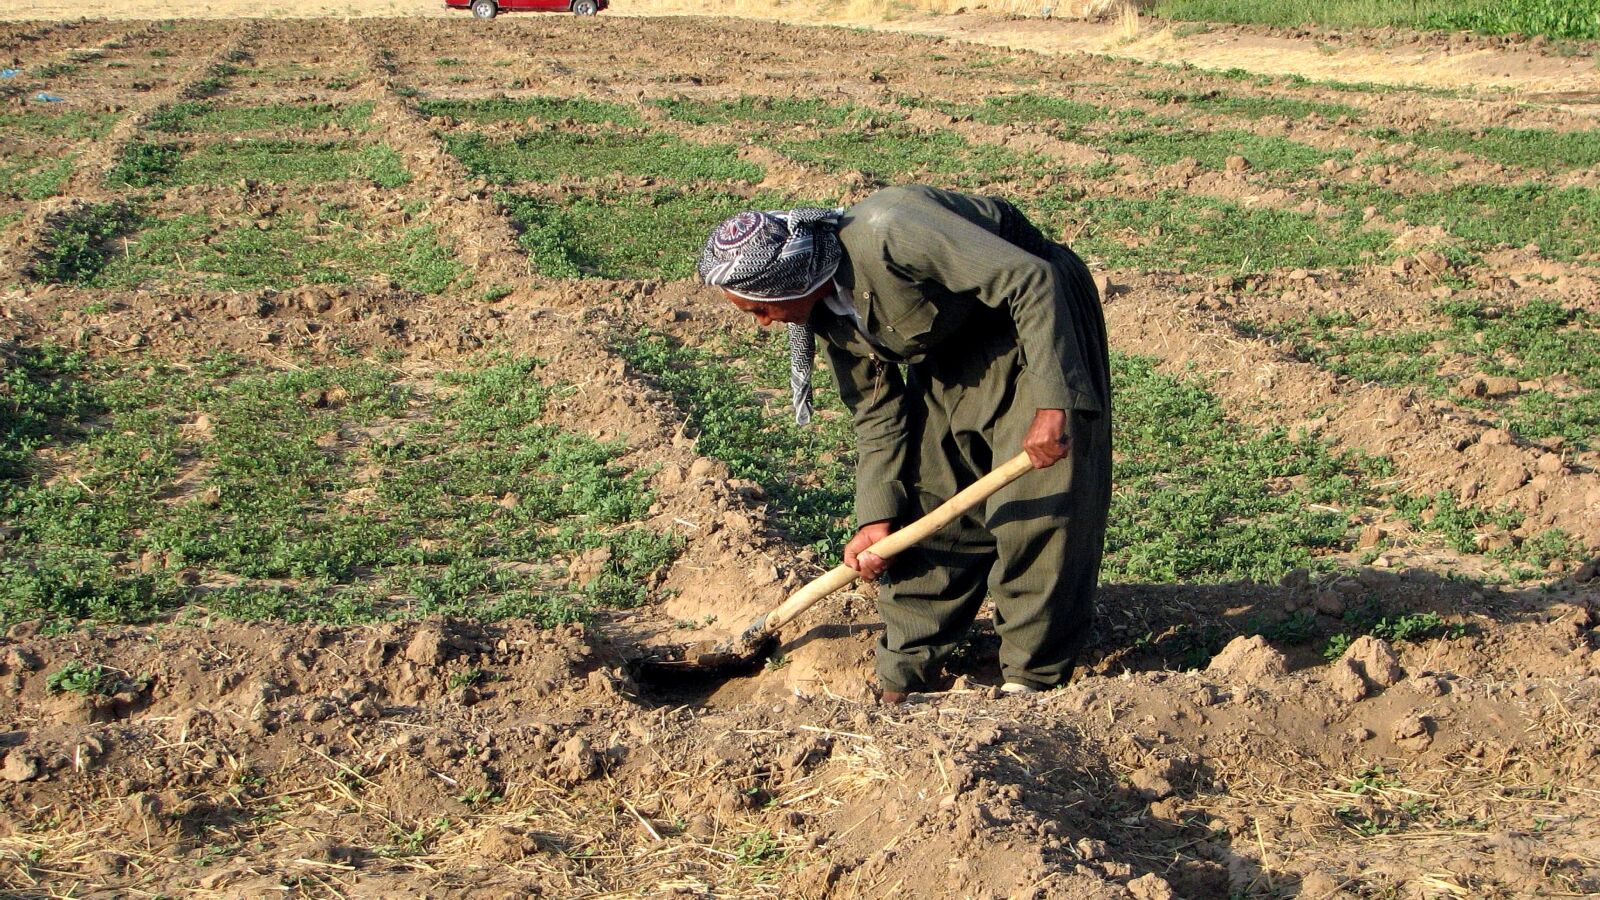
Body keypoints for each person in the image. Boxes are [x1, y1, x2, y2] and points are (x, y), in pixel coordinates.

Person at [697, 184, 1111, 703]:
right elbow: (877, 414)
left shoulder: (890, 231)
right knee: (929, 499)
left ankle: (1027, 682)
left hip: (1037, 325)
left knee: (1035, 513)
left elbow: (1032, 280)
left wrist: (1055, 404)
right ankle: (904, 676)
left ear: (786, 281)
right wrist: (875, 518)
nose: (763, 323)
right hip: (956, 346)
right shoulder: (825, 309)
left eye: (760, 309)